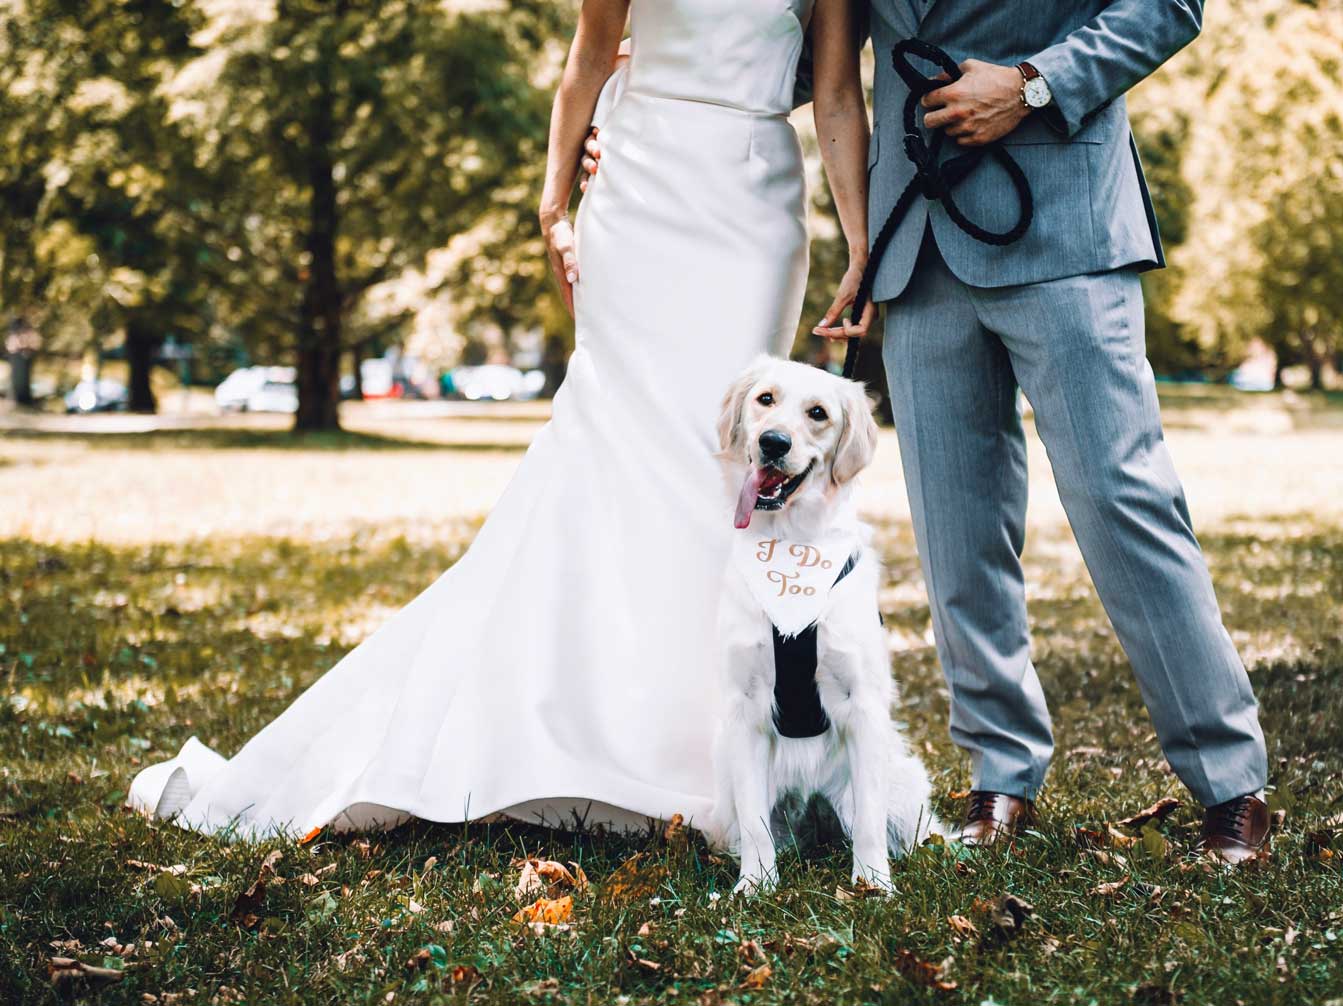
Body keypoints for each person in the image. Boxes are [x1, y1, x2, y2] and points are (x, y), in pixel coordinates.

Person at [127, 0, 873, 838]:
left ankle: (723, 742)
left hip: (755, 205)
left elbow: (840, 93)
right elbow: (589, 56)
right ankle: (578, 728)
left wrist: (859, 243)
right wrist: (554, 207)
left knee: (722, 465)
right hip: (640, 190)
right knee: (614, 445)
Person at [585, 0, 1272, 864]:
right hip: (913, 240)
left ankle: (1230, 784)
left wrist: (1032, 85)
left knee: (1120, 501)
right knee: (956, 530)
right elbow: (815, 60)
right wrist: (650, 100)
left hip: (1060, 216)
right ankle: (1001, 772)